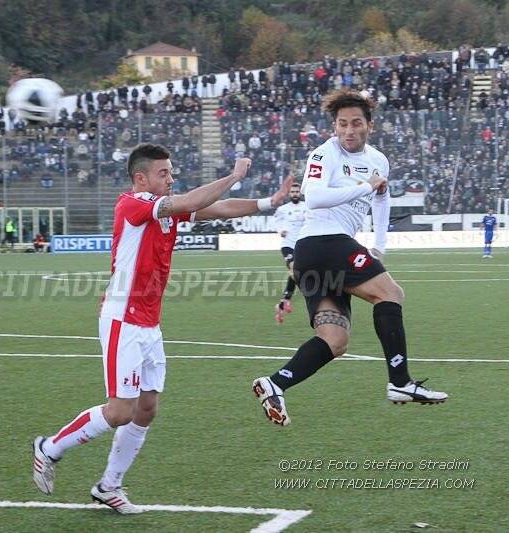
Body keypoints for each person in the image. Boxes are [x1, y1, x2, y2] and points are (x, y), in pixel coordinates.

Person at [32, 143, 293, 513]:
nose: (171, 179)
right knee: (121, 411)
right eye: (164, 173)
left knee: (147, 407)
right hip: (123, 320)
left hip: (150, 324)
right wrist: (234, 176)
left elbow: (213, 209)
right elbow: (187, 202)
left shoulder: (165, 210)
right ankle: (49, 448)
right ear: (141, 178)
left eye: (171, 173)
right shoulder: (132, 204)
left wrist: (269, 202)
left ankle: (109, 486)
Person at [251, 89, 447, 428]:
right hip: (323, 243)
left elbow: (382, 199)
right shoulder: (323, 153)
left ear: (370, 124)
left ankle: (276, 383)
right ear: (334, 126)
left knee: (335, 339)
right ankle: (400, 382)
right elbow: (313, 198)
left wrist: (380, 247)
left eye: (356, 123)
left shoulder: (379, 160)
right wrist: (365, 186)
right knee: (391, 293)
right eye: (342, 124)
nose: (348, 131)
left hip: (322, 255)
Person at [271, 180, 306, 324]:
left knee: (295, 273)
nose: (295, 194)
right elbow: (274, 222)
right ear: (289, 194)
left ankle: (284, 301)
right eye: (292, 192)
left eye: (297, 192)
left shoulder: (307, 207)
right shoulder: (283, 209)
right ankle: (303, 295)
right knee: (293, 268)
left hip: (303, 245)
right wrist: (280, 230)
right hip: (288, 245)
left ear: (300, 193)